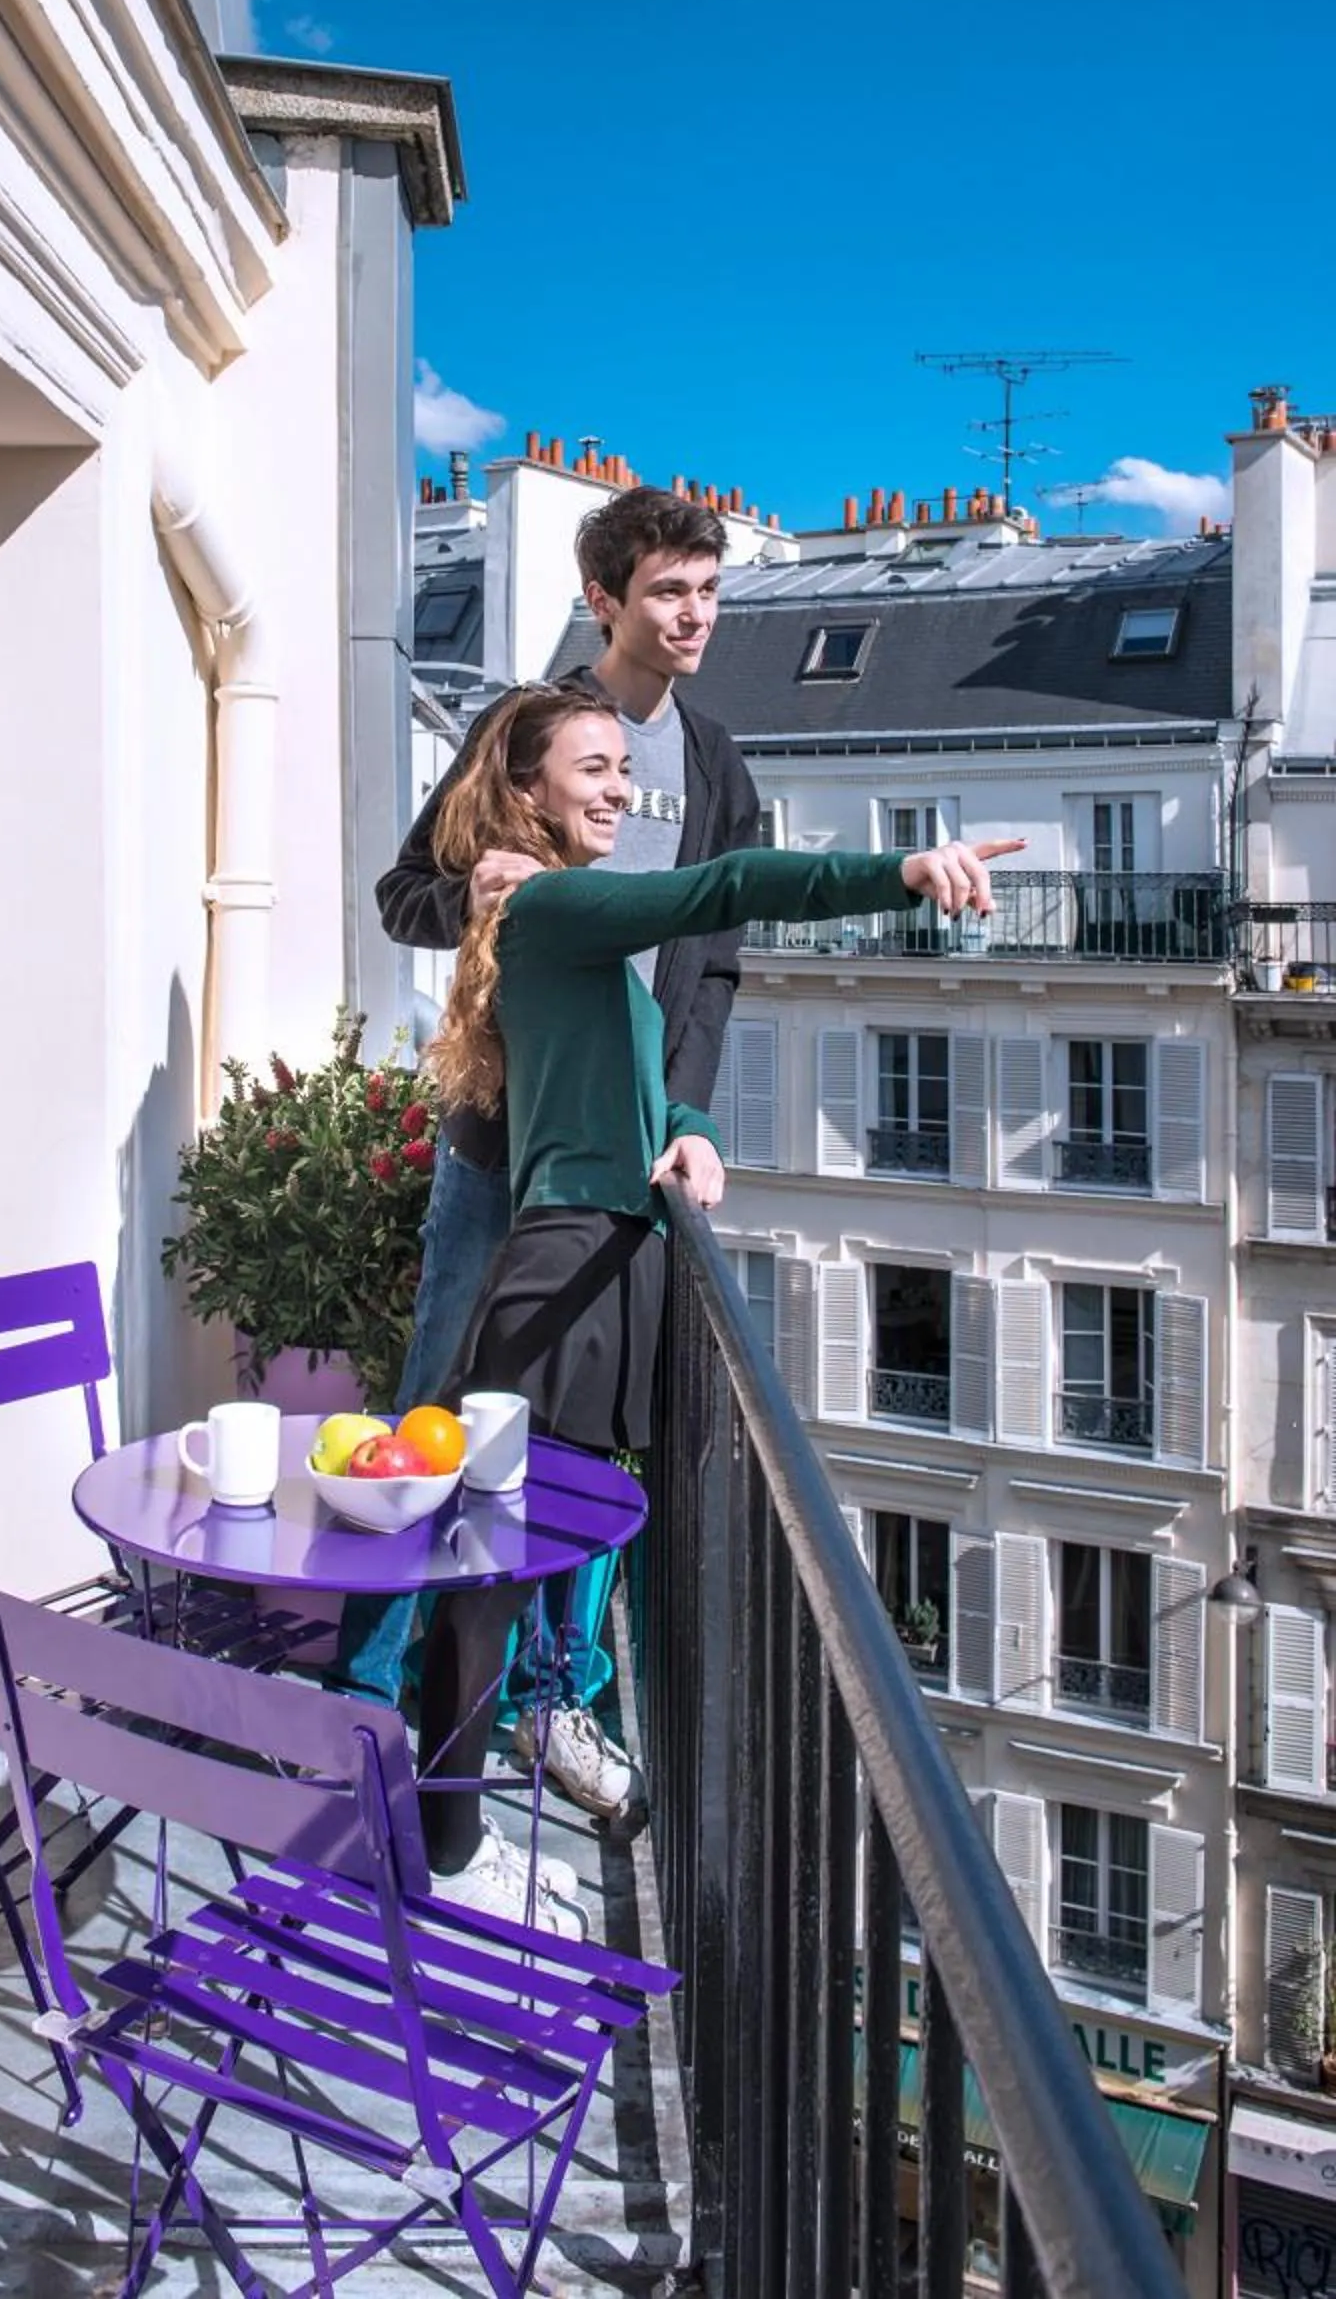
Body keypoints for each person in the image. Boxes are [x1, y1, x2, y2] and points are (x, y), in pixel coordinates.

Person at [412, 683, 1020, 1929]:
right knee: (485, 1580)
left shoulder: (558, 926)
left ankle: (460, 1827)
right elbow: (720, 890)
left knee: (513, 1568)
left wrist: (685, 1131)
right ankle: (447, 1849)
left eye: (621, 770)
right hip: (566, 1271)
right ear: (525, 789)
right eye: (592, 768)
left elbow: (618, 1087)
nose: (620, 789)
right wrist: (904, 869)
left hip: (601, 1258)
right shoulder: (552, 903)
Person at [332, 484, 760, 1809]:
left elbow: (715, 972)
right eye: (669, 593)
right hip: (497, 1148)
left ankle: (544, 1704)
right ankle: (370, 1691)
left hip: (620, 1167)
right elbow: (405, 893)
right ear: (606, 600)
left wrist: (683, 1123)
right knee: (439, 1404)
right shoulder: (526, 731)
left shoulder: (722, 766)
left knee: (579, 1444)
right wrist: (473, 892)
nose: (693, 617)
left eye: (707, 591)